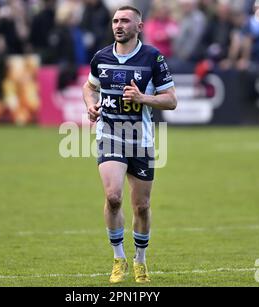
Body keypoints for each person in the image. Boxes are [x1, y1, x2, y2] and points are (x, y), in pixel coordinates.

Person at [82, 5, 177, 284]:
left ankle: (140, 261)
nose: (118, 25)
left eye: (125, 20)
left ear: (140, 26)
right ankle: (118, 257)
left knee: (142, 206)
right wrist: (90, 106)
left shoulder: (153, 58)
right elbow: (90, 87)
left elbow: (171, 100)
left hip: (141, 139)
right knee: (113, 197)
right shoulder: (100, 57)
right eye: (115, 21)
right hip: (110, 133)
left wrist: (143, 99)